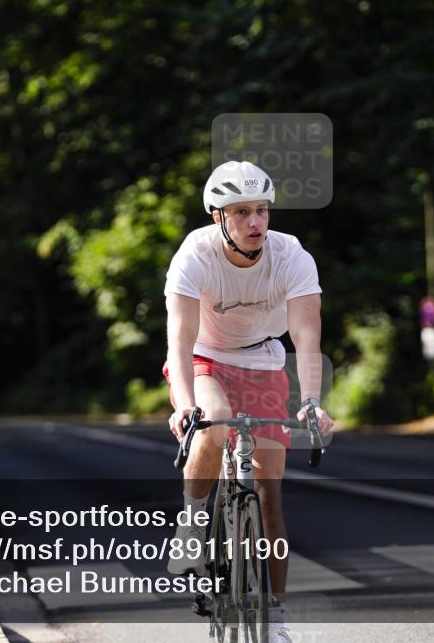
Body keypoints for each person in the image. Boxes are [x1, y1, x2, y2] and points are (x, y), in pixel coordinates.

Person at [163, 161, 335, 643]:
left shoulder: (291, 256)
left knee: (270, 494)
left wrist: (312, 401)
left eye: (262, 210)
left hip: (263, 359)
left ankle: (275, 620)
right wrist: (183, 405)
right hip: (206, 356)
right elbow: (180, 342)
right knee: (214, 421)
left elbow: (306, 336)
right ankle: (193, 524)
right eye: (242, 212)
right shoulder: (194, 255)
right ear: (218, 216)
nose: (255, 222)